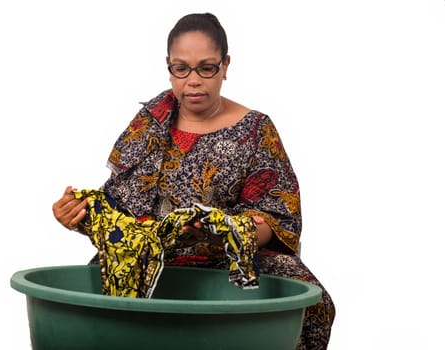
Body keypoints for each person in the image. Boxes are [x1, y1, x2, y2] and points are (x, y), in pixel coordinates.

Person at [52, 12, 335, 349]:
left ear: (225, 66)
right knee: (93, 301)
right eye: (181, 68)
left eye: (206, 67)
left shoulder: (257, 130)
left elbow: (276, 217)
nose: (193, 80)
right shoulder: (150, 123)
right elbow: (119, 204)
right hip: (148, 252)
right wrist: (78, 215)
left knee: (315, 303)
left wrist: (225, 231)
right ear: (169, 67)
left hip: (229, 258)